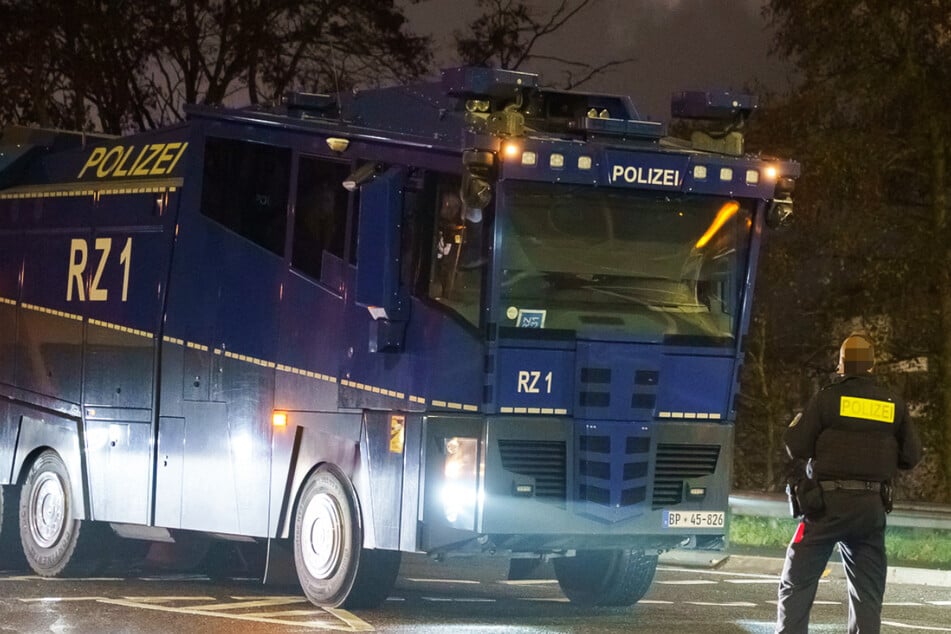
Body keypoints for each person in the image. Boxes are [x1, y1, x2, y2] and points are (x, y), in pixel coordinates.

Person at [775, 333, 922, 634]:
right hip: (870, 510)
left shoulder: (827, 398)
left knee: (797, 581)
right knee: (866, 596)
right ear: (873, 365)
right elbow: (911, 456)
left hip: (826, 507)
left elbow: (796, 445)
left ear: (841, 365)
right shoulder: (893, 404)